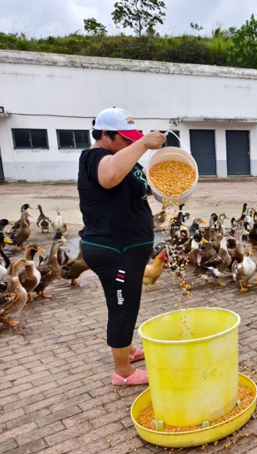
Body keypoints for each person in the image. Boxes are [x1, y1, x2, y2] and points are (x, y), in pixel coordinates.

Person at [78, 107, 166, 385]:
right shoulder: (95, 158)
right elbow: (110, 176)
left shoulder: (124, 159)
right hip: (114, 251)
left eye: (133, 138)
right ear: (105, 135)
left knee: (127, 302)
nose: (130, 143)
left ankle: (126, 350)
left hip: (128, 250)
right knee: (122, 307)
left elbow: (142, 187)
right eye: (125, 139)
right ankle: (122, 372)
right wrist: (143, 144)